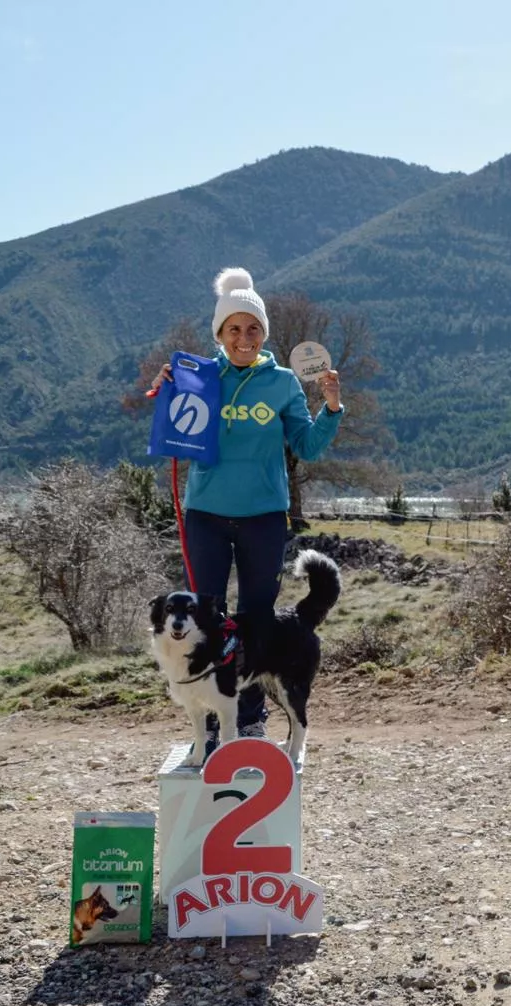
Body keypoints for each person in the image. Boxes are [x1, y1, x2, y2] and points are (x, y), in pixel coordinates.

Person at [158, 267, 344, 750]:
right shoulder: (198, 377)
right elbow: (174, 425)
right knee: (209, 616)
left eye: (254, 328)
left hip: (263, 516)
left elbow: (308, 445)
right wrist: (169, 387)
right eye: (234, 329)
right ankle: (215, 719)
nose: (245, 337)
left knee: (257, 618)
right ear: (220, 334)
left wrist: (331, 406)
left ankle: (252, 718)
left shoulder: (282, 383)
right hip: (205, 516)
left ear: (265, 333)